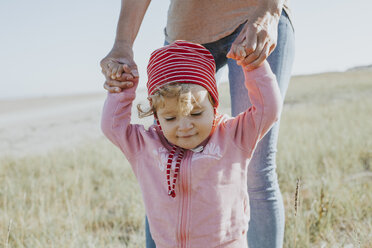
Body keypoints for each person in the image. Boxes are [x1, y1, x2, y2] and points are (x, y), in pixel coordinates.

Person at [100, 1, 295, 247]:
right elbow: (112, 127)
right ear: (157, 117)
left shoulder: (233, 136)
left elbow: (267, 110)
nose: (184, 126)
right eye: (170, 118)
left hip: (253, 17)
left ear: (214, 106)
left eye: (195, 113)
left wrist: (254, 67)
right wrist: (122, 88)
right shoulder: (147, 144)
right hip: (185, 26)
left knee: (258, 173)